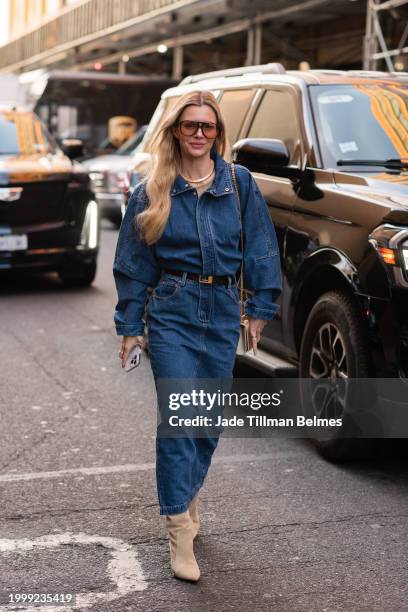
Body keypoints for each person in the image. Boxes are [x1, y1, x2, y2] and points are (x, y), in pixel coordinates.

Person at [113, 90, 281, 582]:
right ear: (176, 131)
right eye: (191, 126)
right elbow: (133, 264)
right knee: (180, 418)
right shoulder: (151, 190)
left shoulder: (238, 182)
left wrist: (260, 307)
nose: (200, 135)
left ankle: (186, 493)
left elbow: (261, 247)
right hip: (172, 310)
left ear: (217, 133)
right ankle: (178, 529)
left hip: (224, 308)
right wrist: (130, 327)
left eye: (208, 127)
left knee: (207, 422)